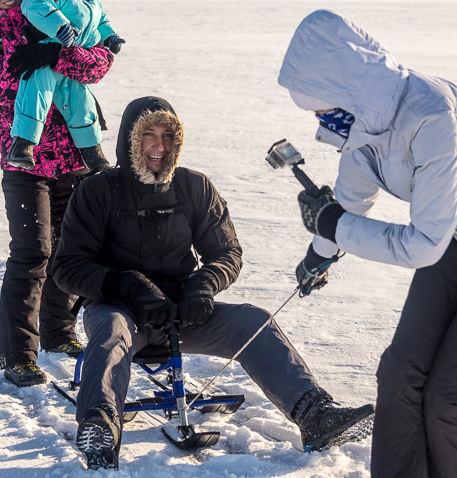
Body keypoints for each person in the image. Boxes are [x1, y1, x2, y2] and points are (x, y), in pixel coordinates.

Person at [278, 10, 457, 478]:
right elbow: (353, 198)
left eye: (320, 105)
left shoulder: (437, 118)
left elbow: (422, 246)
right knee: (400, 373)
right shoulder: (363, 124)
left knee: (448, 388)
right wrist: (320, 251)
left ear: (350, 91)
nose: (318, 118)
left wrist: (336, 225)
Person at [52, 96, 375, 470]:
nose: (160, 147)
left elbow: (227, 253)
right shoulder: (97, 191)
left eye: (168, 136)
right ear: (130, 141)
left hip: (182, 310)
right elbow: (68, 267)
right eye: (150, 136)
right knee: (111, 331)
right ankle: (100, 425)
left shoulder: (194, 187)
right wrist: (128, 285)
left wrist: (204, 284)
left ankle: (314, 412)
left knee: (253, 321)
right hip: (120, 308)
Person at [0, 0, 115, 387]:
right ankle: (18, 353)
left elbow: (97, 65)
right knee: (31, 253)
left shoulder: (59, 13)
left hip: (73, 156)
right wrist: (31, 64)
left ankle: (58, 333)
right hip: (25, 161)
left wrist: (53, 54)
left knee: (68, 251)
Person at [7, 0, 125, 173]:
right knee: (36, 90)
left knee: (82, 104)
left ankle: (92, 152)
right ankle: (23, 143)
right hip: (46, 58)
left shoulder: (92, 3)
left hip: (72, 64)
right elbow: (35, 6)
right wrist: (59, 26)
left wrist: (109, 37)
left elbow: (102, 21)